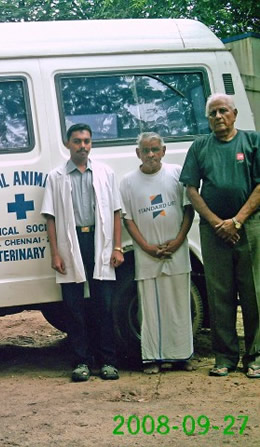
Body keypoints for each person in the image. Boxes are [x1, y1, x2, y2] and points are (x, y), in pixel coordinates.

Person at [180, 93, 260, 379]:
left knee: (253, 293)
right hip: (213, 232)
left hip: (248, 227)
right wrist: (217, 223)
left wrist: (237, 221)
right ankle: (224, 358)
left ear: (234, 114)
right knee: (219, 295)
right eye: (212, 113)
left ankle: (255, 357)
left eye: (222, 111)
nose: (217, 117)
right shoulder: (200, 146)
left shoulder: (252, 141)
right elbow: (191, 189)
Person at [41, 123, 124, 382]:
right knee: (74, 307)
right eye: (77, 141)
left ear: (91, 144)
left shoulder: (105, 173)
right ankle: (81, 362)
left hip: (99, 241)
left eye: (87, 141)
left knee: (104, 305)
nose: (83, 146)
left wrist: (118, 247)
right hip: (71, 243)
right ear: (68, 144)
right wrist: (55, 253)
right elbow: (51, 218)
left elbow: (116, 212)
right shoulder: (56, 177)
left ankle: (108, 361)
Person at [120, 132, 195, 374]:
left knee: (178, 304)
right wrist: (147, 247)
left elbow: (188, 210)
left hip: (177, 250)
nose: (151, 154)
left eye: (155, 149)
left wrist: (178, 241)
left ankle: (181, 355)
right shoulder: (128, 181)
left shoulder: (176, 174)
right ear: (137, 154)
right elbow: (128, 219)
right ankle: (153, 357)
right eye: (146, 150)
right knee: (150, 308)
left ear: (163, 151)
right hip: (147, 254)